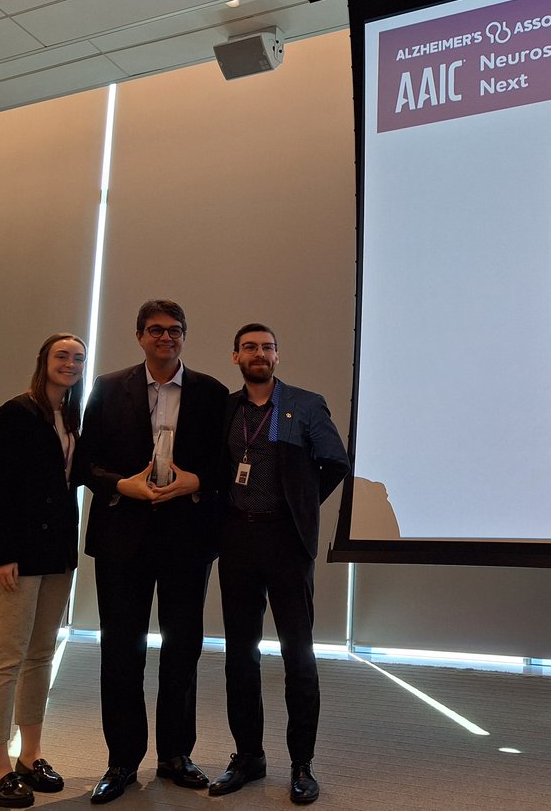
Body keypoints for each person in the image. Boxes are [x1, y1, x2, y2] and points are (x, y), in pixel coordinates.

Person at [73, 300, 227, 804]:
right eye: (156, 330)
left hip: (188, 539)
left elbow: (227, 466)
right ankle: (121, 761)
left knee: (182, 650)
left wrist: (197, 481)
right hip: (122, 537)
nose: (166, 338)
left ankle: (176, 755)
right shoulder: (107, 387)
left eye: (175, 330)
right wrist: (123, 485)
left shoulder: (211, 393)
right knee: (122, 650)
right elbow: (84, 464)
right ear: (139, 336)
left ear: (185, 336)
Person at [208, 324, 349, 804]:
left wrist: (300, 506)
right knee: (241, 654)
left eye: (267, 347)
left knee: (298, 656)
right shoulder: (227, 409)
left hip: (287, 544)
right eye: (250, 347)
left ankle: (302, 765)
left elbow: (335, 462)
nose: (260, 353)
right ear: (236, 357)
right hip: (238, 541)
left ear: (277, 355)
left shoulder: (306, 404)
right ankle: (248, 757)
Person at [0, 333, 86, 808]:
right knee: (6, 658)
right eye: (62, 355)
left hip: (57, 553)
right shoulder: (14, 413)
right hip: (15, 553)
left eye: (79, 358)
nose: (71, 363)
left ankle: (30, 756)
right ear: (43, 361)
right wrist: (1, 552)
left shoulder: (72, 416)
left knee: (41, 655)